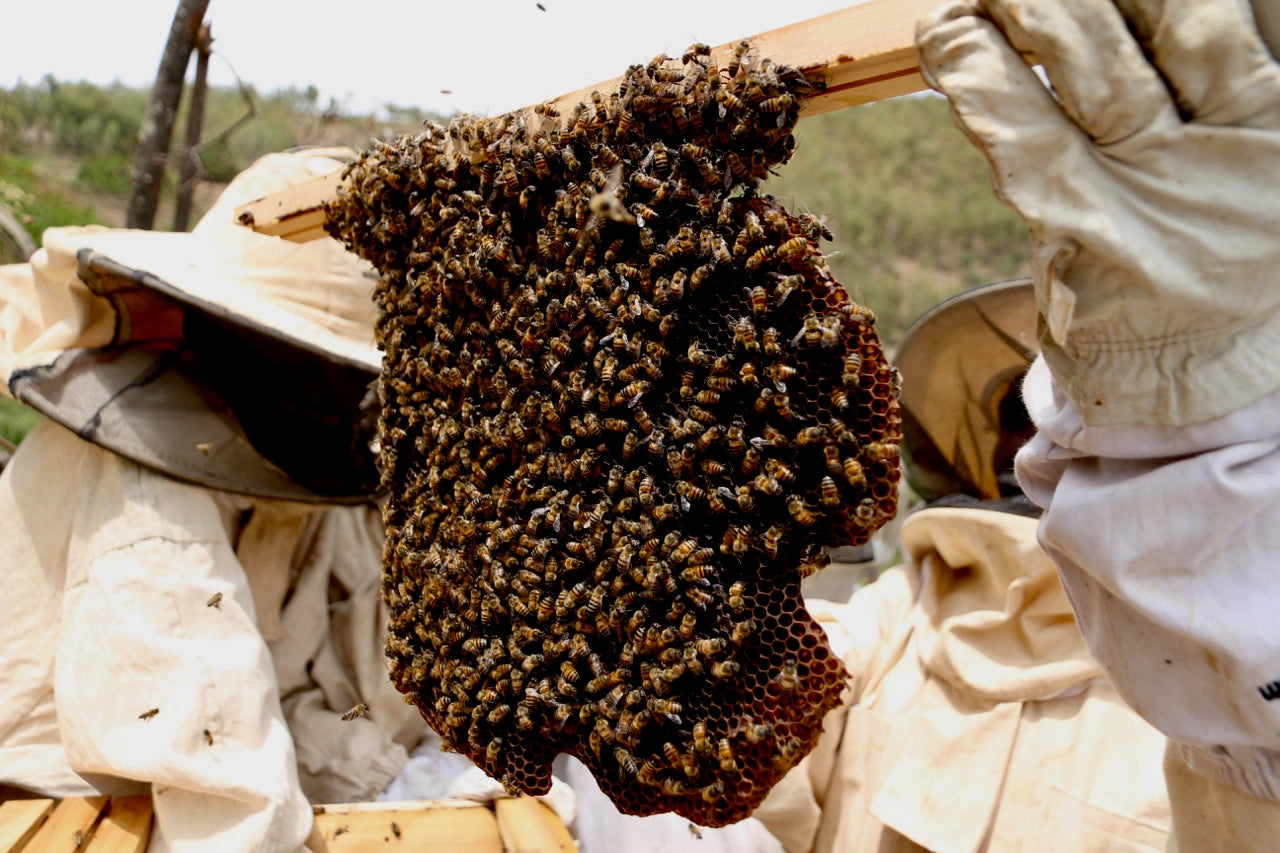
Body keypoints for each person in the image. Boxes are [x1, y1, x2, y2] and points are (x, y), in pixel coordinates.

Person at [914, 1, 1280, 850]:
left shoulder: (1182, 692)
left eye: (1039, 409)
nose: (1025, 439)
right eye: (1008, 414)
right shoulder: (879, 645)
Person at [0, 149, 432, 851]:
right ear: (243, 332)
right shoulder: (142, 483)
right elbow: (225, 801)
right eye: (331, 371)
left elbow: (273, 693)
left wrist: (393, 773)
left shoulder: (274, 466)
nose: (351, 407)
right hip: (52, 813)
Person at [751, 279, 1172, 852]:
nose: (1045, 442)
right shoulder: (893, 618)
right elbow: (757, 749)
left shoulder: (1206, 682)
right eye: (1023, 415)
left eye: (1072, 416)